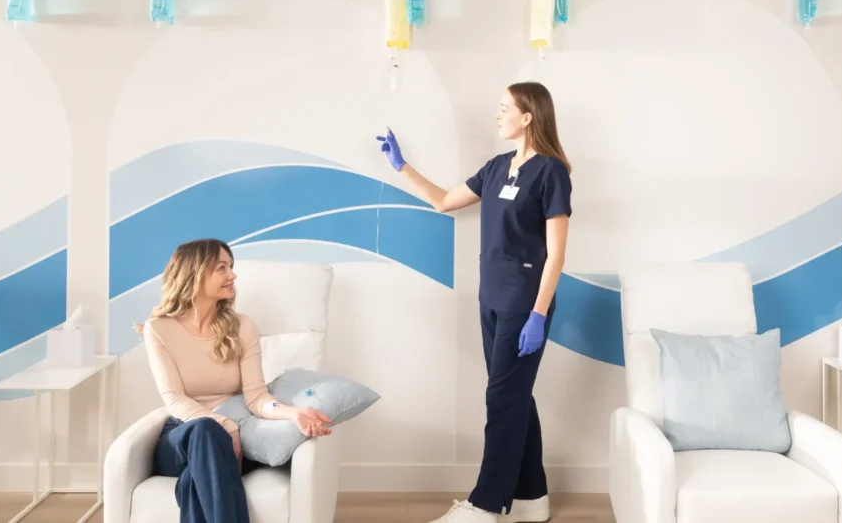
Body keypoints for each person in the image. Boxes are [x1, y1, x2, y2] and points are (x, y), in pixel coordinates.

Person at [376, 81, 572, 523]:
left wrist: (539, 314)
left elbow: (556, 252)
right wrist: (401, 165)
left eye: (506, 108)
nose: (498, 114)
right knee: (515, 395)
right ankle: (531, 496)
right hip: (490, 298)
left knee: (502, 400)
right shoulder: (497, 166)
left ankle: (486, 505)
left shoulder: (551, 171)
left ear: (528, 117)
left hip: (525, 304)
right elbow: (445, 201)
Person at [136, 238, 333, 523]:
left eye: (231, 267)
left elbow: (256, 396)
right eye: (222, 268)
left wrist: (294, 413)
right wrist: (224, 425)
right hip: (183, 436)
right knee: (205, 429)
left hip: (229, 444)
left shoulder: (241, 326)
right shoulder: (159, 329)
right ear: (195, 272)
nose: (232, 275)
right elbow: (174, 399)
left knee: (197, 478)